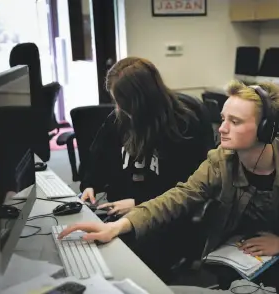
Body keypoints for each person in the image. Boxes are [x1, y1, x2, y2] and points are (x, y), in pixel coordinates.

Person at [60, 80, 279, 293]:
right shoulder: (221, 159)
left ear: (267, 129)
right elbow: (179, 197)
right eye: (223, 118)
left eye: (235, 122)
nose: (222, 128)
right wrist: (119, 226)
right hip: (240, 252)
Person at [78, 56, 214, 280]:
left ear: (142, 101)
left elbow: (189, 186)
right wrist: (90, 184)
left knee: (122, 266)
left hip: (165, 217)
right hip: (119, 209)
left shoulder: (184, 124)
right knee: (91, 249)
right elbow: (96, 158)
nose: (119, 108)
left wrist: (139, 202)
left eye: (123, 102)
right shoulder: (120, 118)